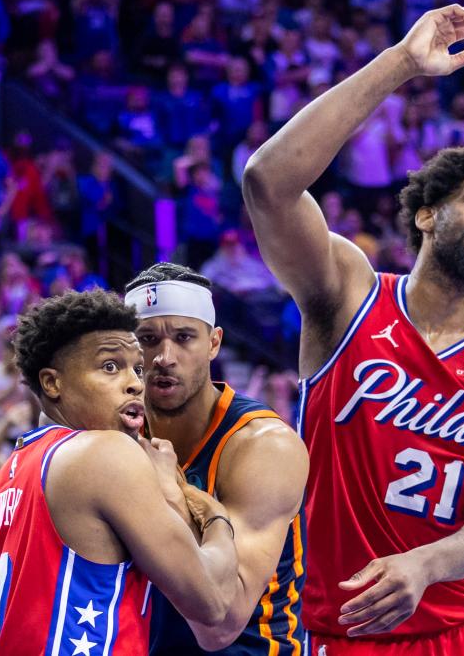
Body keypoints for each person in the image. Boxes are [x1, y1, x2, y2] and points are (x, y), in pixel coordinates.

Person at [242, 4, 464, 654]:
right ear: (425, 216)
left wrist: (428, 564)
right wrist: (400, 65)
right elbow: (268, 183)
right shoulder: (346, 295)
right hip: (349, 628)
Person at [0, 289, 240, 655]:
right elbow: (214, 603)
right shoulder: (103, 453)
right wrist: (211, 511)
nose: (136, 382)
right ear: (52, 383)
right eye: (110, 366)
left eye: (136, 368)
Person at [124, 263, 309, 653]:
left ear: (214, 343)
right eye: (147, 339)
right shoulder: (117, 432)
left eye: (184, 337)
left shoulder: (264, 445)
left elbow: (221, 624)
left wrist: (174, 495)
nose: (163, 356)